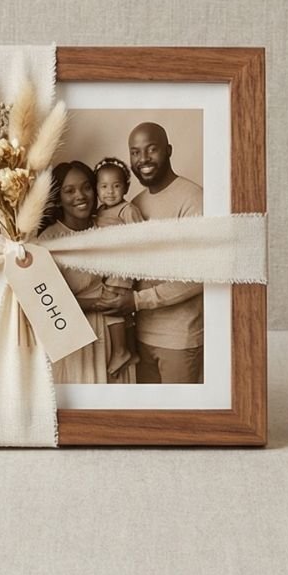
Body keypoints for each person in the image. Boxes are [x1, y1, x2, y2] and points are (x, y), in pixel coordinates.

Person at [126, 124, 204, 384]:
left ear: (169, 150)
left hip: (179, 340)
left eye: (151, 149)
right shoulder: (134, 205)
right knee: (150, 422)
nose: (143, 159)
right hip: (139, 337)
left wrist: (137, 301)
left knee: (181, 421)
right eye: (135, 153)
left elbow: (199, 275)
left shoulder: (193, 198)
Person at [47, 161, 136, 384]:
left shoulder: (109, 228)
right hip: (74, 337)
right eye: (69, 191)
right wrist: (97, 303)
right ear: (58, 198)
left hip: (111, 333)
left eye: (86, 187)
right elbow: (45, 305)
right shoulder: (48, 242)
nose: (80, 196)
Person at [93, 158, 143, 377]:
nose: (110, 192)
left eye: (116, 186)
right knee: (125, 313)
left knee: (111, 304)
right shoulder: (99, 212)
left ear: (126, 187)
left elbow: (142, 236)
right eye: (104, 186)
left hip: (123, 265)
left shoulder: (127, 210)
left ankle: (120, 351)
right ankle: (131, 350)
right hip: (109, 267)